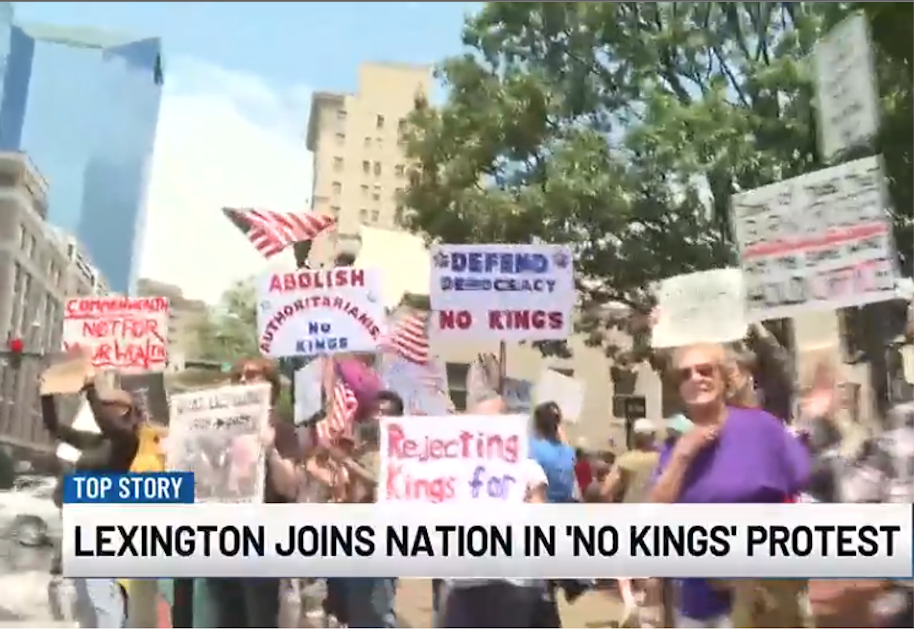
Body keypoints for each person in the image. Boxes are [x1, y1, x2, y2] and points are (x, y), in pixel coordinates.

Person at [650, 343, 810, 628]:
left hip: (761, 597)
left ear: (725, 378)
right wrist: (684, 455)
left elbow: (798, 488)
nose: (695, 378)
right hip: (698, 602)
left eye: (705, 370)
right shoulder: (675, 446)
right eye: (685, 375)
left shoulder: (762, 428)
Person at [203, 358, 302, 628]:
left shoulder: (281, 430)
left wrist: (270, 450)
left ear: (271, 386)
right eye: (239, 376)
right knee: (225, 618)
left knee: (261, 617)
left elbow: (289, 486)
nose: (244, 380)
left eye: (253, 375)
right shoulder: (217, 430)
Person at [41, 362, 140, 629]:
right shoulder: (93, 441)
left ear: (125, 411)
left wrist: (91, 390)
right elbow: (54, 426)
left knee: (101, 595)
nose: (102, 411)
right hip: (79, 520)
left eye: (109, 406)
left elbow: (109, 425)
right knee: (83, 597)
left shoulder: (126, 441)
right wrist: (46, 393)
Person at [440, 396, 551, 628]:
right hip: (464, 580)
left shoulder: (528, 468)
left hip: (513, 582)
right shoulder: (457, 470)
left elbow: (540, 519)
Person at [599, 418, 660, 627]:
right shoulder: (662, 459)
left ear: (634, 436)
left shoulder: (627, 460)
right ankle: (647, 607)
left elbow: (606, 490)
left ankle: (630, 602)